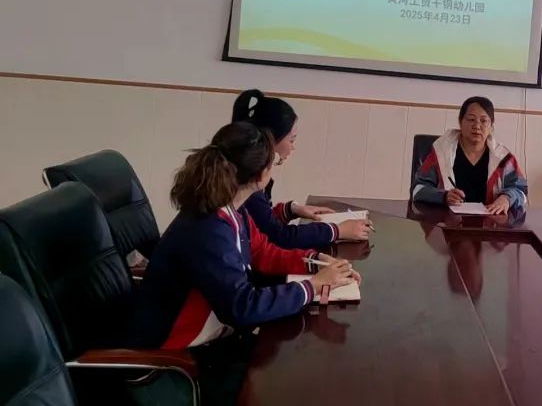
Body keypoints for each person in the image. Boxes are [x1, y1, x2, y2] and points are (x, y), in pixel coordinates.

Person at [129, 123, 359, 402]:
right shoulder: (208, 229)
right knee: (290, 382)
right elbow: (242, 307)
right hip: (173, 358)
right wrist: (312, 287)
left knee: (296, 362)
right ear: (261, 175)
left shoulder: (229, 209)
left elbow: (264, 252)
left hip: (213, 340)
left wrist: (315, 262)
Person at [231, 89, 371, 247]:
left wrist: (291, 210)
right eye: (291, 140)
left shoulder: (249, 175)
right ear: (272, 139)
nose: (293, 147)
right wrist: (336, 230)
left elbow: (263, 224)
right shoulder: (249, 182)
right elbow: (279, 236)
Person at [412, 96, 528, 214]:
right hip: (446, 221)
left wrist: (507, 198)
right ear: (460, 122)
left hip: (490, 222)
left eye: (484, 121)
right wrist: (443, 196)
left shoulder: (503, 158)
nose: (477, 126)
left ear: (491, 127)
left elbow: (521, 191)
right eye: (471, 119)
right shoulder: (441, 152)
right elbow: (418, 189)